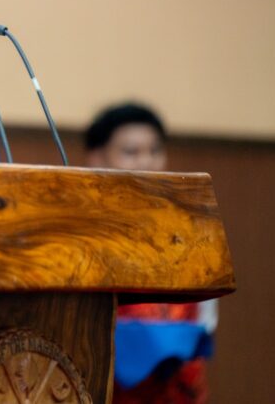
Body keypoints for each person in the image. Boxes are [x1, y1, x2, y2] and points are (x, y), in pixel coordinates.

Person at [86, 102, 216, 404]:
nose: (147, 161)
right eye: (131, 152)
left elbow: (205, 318)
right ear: (97, 157)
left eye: (155, 150)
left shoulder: (189, 229)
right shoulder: (85, 232)